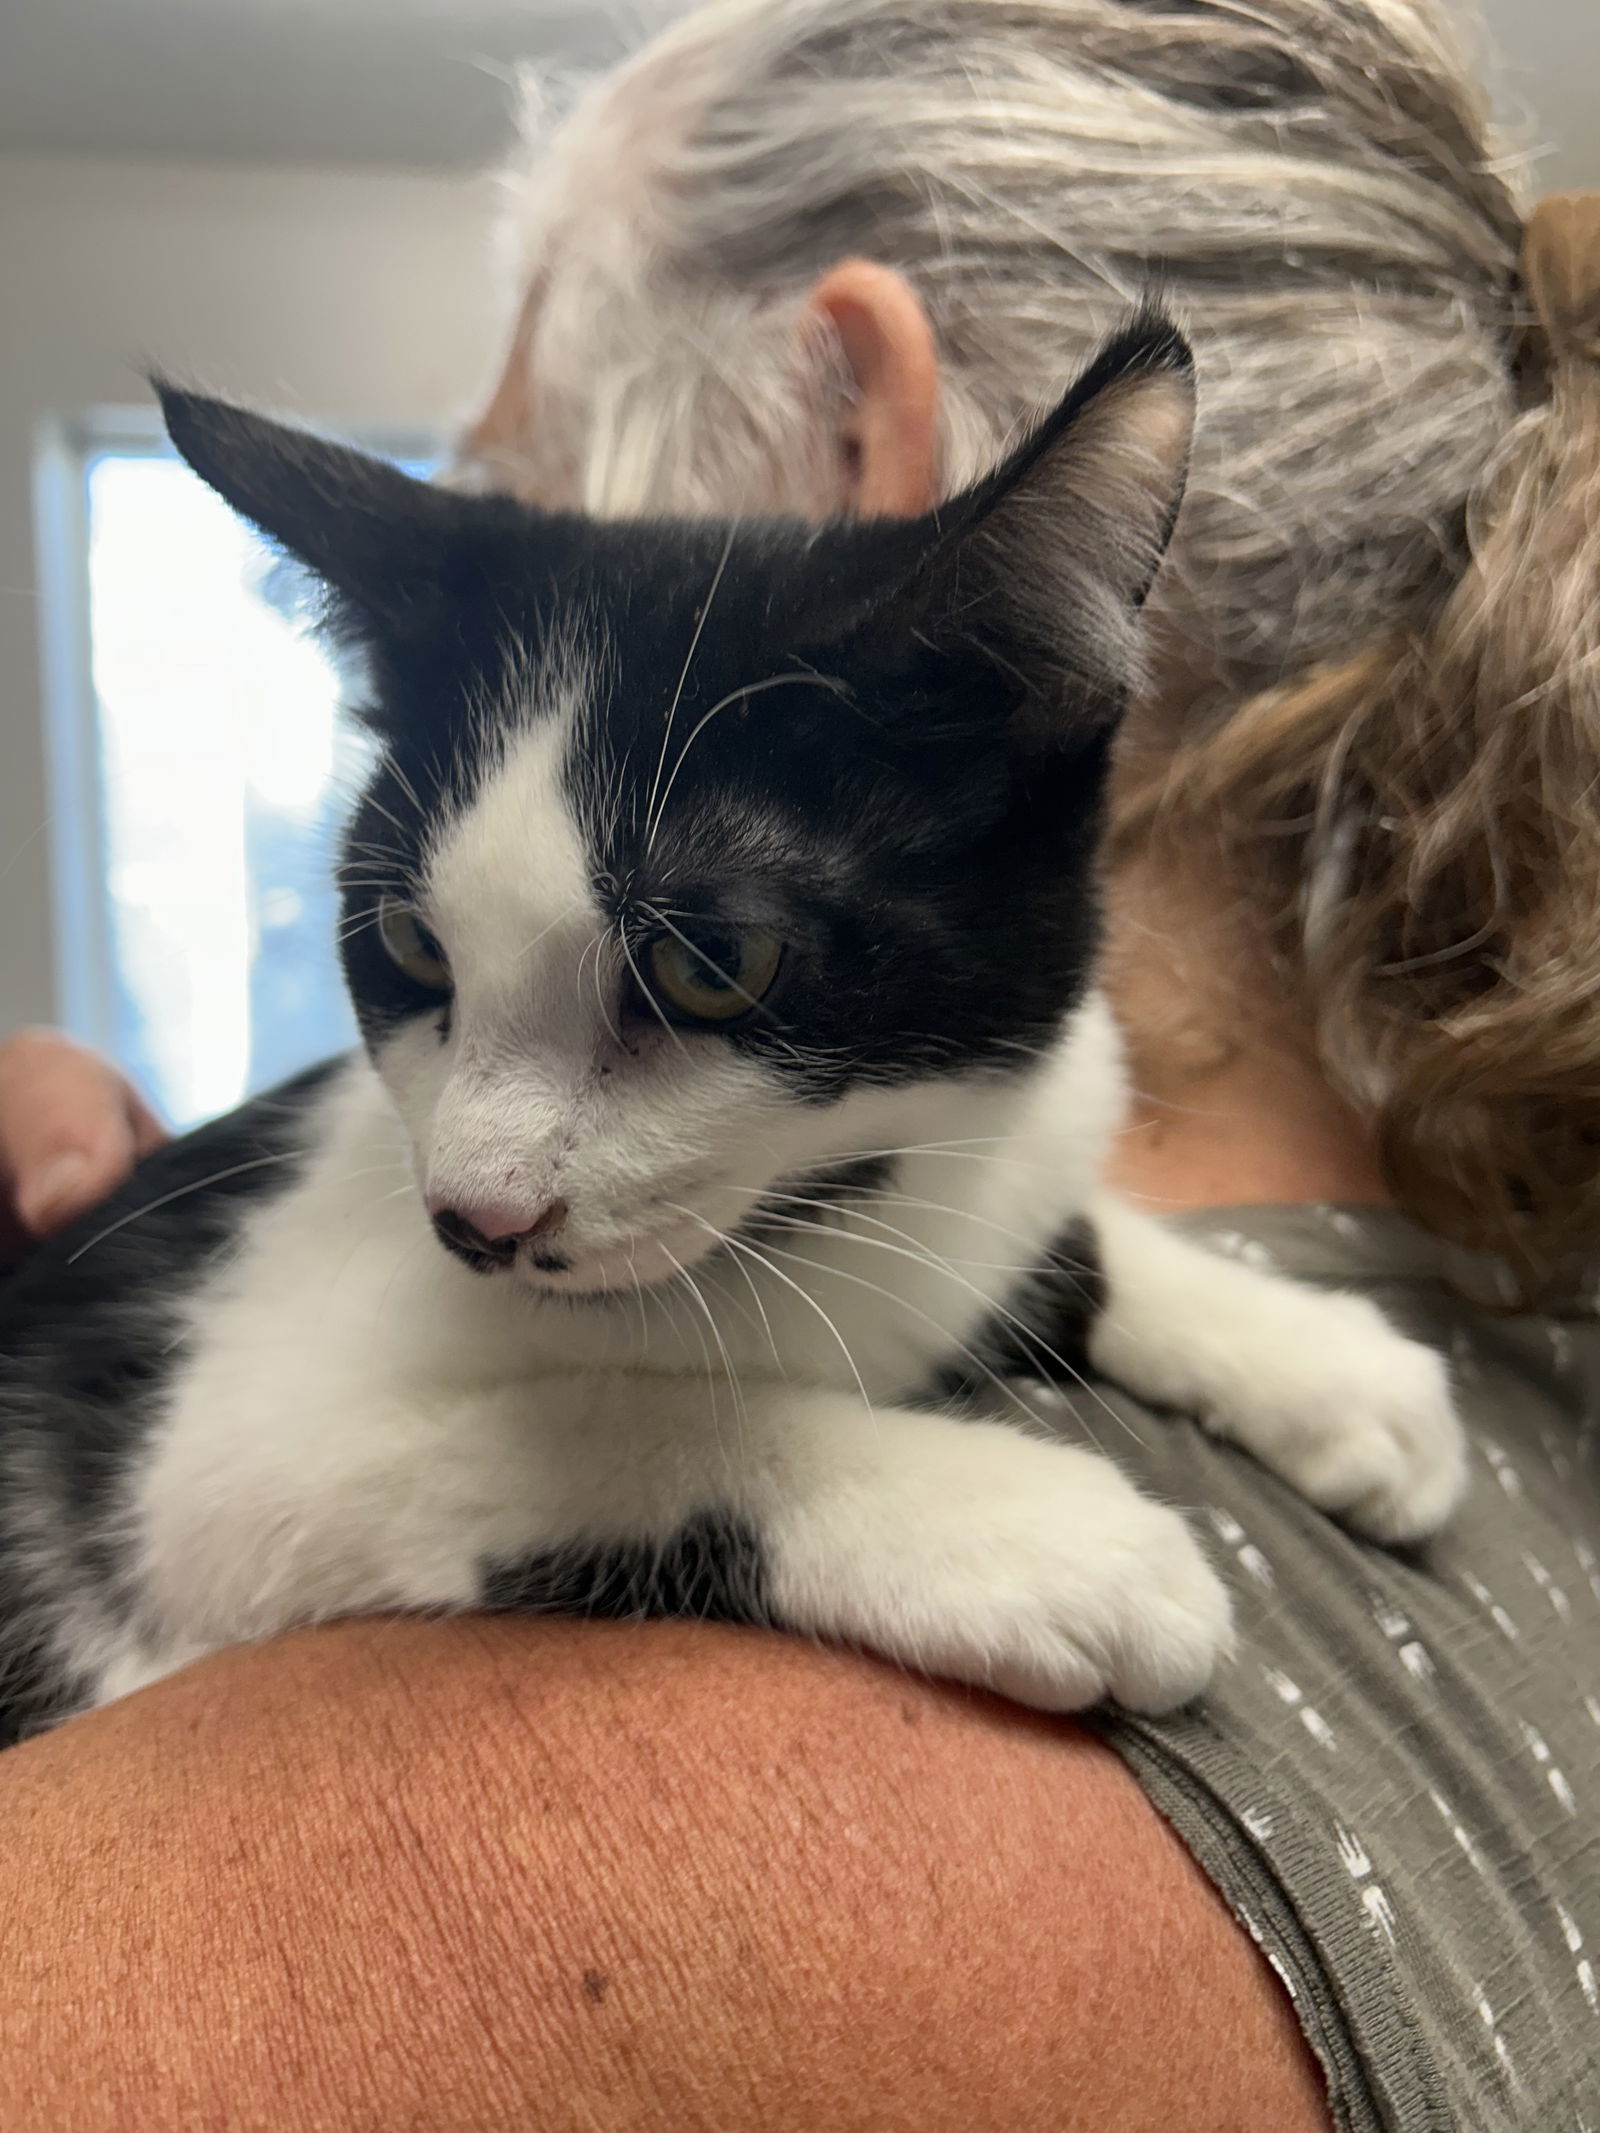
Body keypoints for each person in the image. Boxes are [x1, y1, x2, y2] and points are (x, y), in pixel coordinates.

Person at [3, 1, 1597, 2125]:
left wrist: (789, 1489)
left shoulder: (356, 1921)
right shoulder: (1533, 1341)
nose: (472, 1183)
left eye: (512, 482)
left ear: (860, 453)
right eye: (411, 950)